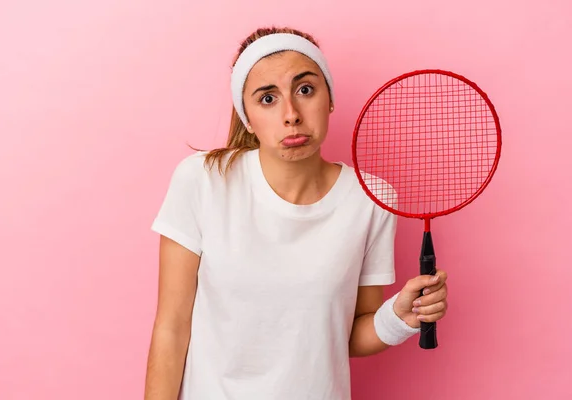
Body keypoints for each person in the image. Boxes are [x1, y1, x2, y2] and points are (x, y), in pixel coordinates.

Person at [144, 26, 448, 400]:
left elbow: (346, 334)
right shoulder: (202, 180)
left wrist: (401, 317)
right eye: (267, 99)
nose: (291, 114)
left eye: (305, 90)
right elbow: (171, 328)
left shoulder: (372, 198)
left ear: (330, 98)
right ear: (247, 118)